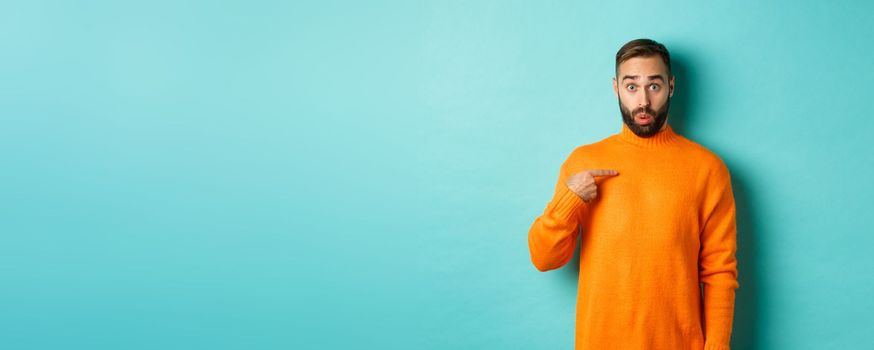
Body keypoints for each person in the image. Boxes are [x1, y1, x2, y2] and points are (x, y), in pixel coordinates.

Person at [527, 38, 739, 350]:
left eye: (653, 86)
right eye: (631, 86)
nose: (643, 101)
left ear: (671, 86)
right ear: (616, 88)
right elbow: (544, 259)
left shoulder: (707, 169)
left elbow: (720, 271)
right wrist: (568, 200)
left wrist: (717, 346)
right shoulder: (584, 163)